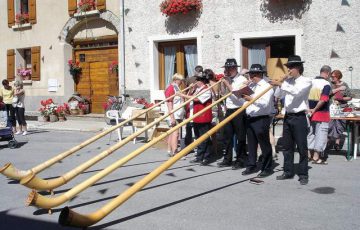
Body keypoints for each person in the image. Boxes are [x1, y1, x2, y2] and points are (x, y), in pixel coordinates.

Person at [270, 55, 312, 185]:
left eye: (291, 67)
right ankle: (288, 171)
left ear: (298, 67)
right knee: (287, 147)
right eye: (288, 67)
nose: (289, 70)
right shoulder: (287, 82)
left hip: (299, 117)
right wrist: (280, 84)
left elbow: (297, 92)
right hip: (288, 117)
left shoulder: (306, 81)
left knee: (302, 147)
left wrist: (282, 84)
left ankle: (303, 174)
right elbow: (277, 95)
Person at [241, 64, 274, 177]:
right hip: (250, 117)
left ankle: (267, 167)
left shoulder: (266, 86)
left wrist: (250, 99)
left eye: (252, 75)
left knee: (264, 144)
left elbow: (264, 103)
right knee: (251, 144)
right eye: (250, 74)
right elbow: (245, 101)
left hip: (261, 118)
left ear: (259, 74)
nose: (250, 77)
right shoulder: (253, 86)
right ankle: (251, 165)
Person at [217, 58, 248, 169]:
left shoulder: (242, 79)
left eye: (229, 68)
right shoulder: (228, 79)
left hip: (239, 110)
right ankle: (227, 159)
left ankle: (240, 160)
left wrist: (227, 84)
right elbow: (224, 94)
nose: (227, 71)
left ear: (235, 68)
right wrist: (223, 84)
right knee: (227, 136)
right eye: (226, 68)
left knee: (240, 137)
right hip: (229, 109)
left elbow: (239, 96)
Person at [178, 73, 213, 165]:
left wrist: (182, 95)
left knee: (205, 138)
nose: (195, 82)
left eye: (197, 80)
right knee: (198, 138)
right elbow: (190, 97)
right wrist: (190, 89)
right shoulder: (197, 89)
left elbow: (196, 99)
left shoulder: (207, 90)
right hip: (196, 116)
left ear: (202, 81)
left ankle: (207, 157)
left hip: (203, 117)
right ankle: (199, 156)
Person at [307, 65, 332, 164]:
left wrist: (310, 110)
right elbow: (323, 99)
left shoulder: (311, 82)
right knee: (321, 134)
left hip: (309, 112)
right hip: (321, 113)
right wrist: (315, 109)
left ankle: (309, 154)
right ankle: (316, 157)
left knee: (310, 134)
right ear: (328, 73)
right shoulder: (326, 84)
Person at [328, 69, 352, 151]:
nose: (332, 78)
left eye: (333, 76)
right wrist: (338, 89)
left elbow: (350, 96)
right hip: (331, 107)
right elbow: (328, 93)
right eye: (331, 76)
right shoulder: (330, 84)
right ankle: (328, 141)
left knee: (340, 125)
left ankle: (337, 143)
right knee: (330, 125)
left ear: (338, 76)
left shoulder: (345, 85)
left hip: (342, 107)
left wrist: (341, 98)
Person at [164, 73, 185, 156]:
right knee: (176, 134)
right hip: (174, 114)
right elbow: (169, 103)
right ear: (176, 80)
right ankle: (175, 152)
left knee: (172, 133)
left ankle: (169, 150)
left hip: (177, 114)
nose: (182, 82)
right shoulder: (171, 88)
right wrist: (172, 117)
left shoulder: (176, 87)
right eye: (181, 80)